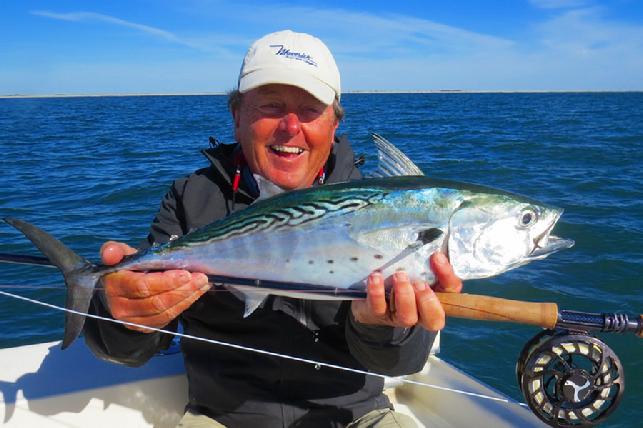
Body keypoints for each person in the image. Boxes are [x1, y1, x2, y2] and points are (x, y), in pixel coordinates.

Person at [84, 30, 463, 428]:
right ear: (237, 117)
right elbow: (126, 351)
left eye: (311, 110)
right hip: (220, 418)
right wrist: (123, 315)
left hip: (353, 417)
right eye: (271, 107)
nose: (290, 127)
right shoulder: (192, 198)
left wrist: (382, 328)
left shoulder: (388, 213)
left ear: (334, 123)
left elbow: (400, 363)